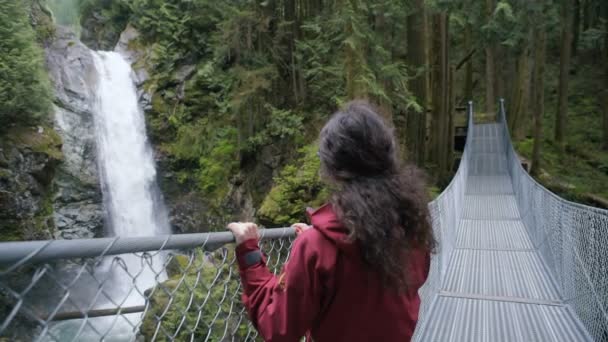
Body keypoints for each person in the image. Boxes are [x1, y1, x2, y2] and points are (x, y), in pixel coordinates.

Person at [227, 100, 435, 342]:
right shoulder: (411, 226)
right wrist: (318, 241)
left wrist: (250, 254)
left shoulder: (316, 247)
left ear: (333, 167)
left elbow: (277, 328)